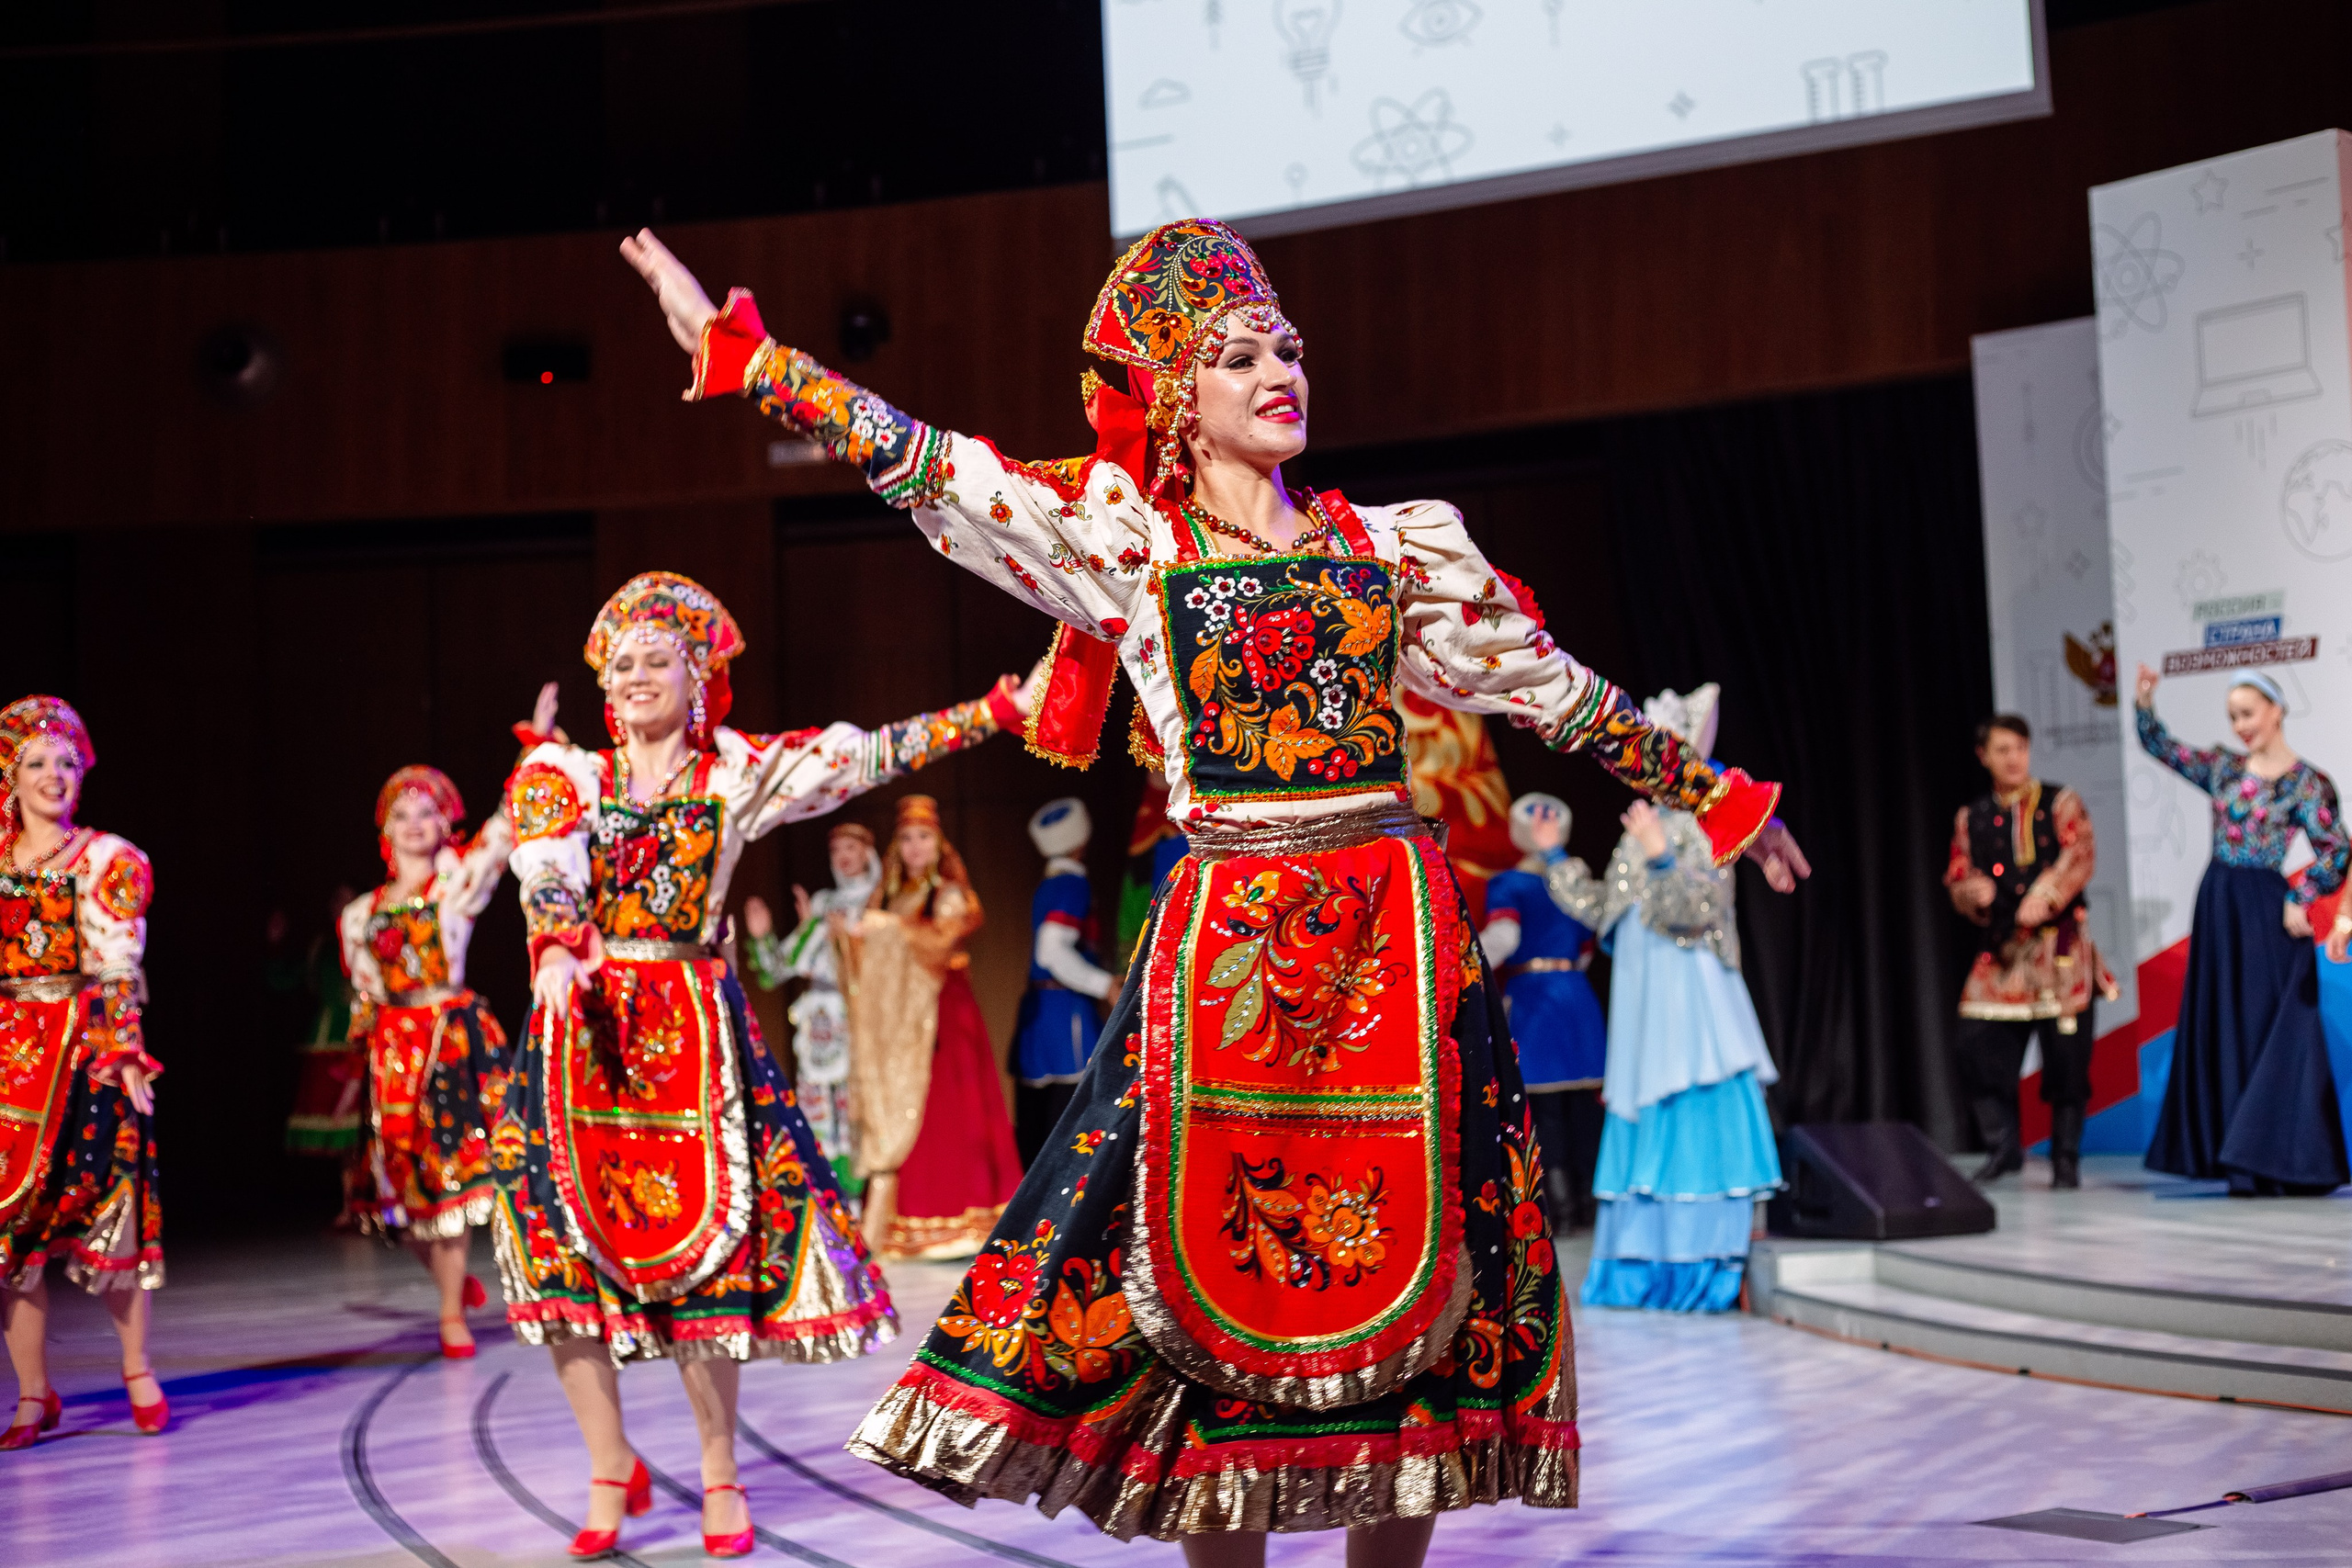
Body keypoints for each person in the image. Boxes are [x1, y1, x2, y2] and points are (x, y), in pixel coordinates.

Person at [626, 218, 1804, 1562]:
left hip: (1392, 957)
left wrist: (1715, 793)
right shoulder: (1131, 545)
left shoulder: (1399, 549)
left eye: (1288, 347)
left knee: (1409, 1293)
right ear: (1179, 397)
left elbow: (1552, 687)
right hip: (1230, 959)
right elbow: (934, 468)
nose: (1280, 369)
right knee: (1204, 1306)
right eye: (1240, 354)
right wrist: (751, 356)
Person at [492, 570, 1030, 1558]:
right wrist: (561, 950)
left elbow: (865, 755)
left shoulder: (735, 773)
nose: (639, 675)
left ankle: (718, 1472)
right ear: (603, 689)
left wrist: (995, 711)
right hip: (580, 1038)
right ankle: (609, 1464)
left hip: (694, 1032)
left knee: (714, 1259)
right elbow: (548, 867)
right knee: (559, 1254)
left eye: (661, 660)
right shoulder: (566, 778)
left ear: (700, 681)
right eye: (623, 664)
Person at [1577, 686, 1784, 1315]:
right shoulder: (1643, 822)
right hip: (1645, 995)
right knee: (1645, 1105)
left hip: (1690, 991)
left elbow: (1700, 910)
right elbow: (1604, 907)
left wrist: (1663, 857)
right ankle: (1641, 1267)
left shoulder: (1703, 823)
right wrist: (1553, 862)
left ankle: (1706, 1265)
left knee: (1692, 1094)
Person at [0, 696, 167, 1447]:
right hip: (9, 1060)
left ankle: (137, 1369)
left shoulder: (104, 859)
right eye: (36, 761)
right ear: (10, 774)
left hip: (83, 1047)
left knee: (111, 1201)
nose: (53, 774)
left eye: (66, 762)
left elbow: (116, 962)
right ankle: (34, 1393)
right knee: (11, 1233)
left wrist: (125, 1047)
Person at [2136, 665, 2351, 1194]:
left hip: (2264, 908)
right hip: (2219, 905)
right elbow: (2160, 746)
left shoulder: (2308, 783)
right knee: (2225, 1025)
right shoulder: (2224, 769)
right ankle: (2234, 1158)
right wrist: (2144, 701)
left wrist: (2302, 897)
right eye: (2233, 716)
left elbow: (2337, 850)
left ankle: (2273, 1159)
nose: (2240, 725)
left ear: (2276, 711)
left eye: (2248, 713)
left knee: (2265, 1029)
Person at [340, 754, 523, 1358]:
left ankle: (451, 1313)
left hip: (446, 1040)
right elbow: (365, 987)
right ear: (384, 829)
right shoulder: (359, 914)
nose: (414, 822)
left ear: (444, 825)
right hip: (391, 1050)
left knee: (445, 1183)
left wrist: (528, 754)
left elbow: (499, 839)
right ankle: (452, 1285)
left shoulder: (453, 888)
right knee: (394, 1193)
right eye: (402, 813)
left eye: (426, 812)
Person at [841, 795, 1024, 1259]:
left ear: (939, 843)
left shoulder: (947, 894)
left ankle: (963, 1221)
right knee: (907, 1106)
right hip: (899, 1019)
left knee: (949, 1107)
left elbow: (940, 943)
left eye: (923, 837)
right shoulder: (889, 894)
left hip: (942, 1012)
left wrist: (883, 929)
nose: (915, 847)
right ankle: (904, 1221)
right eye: (906, 838)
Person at [1944, 714, 2110, 1189]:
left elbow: (2079, 854)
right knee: (1974, 1045)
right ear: (1984, 757)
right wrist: (1970, 893)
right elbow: (1959, 872)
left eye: (2019, 747)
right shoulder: (1970, 817)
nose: (2013, 758)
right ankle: (2003, 1148)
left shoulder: (2060, 802)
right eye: (2002, 750)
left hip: (2058, 950)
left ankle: (2065, 1160)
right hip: (2003, 953)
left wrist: (2047, 894)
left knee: (2067, 1060)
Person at [1479, 794, 1608, 1232]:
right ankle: (1592, 1208)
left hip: (1535, 1002)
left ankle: (1563, 1213)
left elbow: (1504, 939)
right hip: (1578, 996)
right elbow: (1589, 949)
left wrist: (1460, 960)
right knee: (1584, 1105)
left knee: (1544, 1108)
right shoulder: (1577, 883)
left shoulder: (1509, 884)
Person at [741, 821, 880, 1193]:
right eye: (836, 850)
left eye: (851, 848)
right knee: (820, 1110)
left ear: (869, 852)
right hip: (819, 1022)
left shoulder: (880, 901)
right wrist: (762, 936)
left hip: (862, 1018)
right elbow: (776, 972)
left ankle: (864, 1198)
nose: (844, 857)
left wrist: (849, 942)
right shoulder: (824, 904)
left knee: (856, 1108)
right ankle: (830, 1196)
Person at [1009, 797, 1116, 1168]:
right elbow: (1051, 952)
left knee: (1040, 1119)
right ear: (1081, 839)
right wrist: (1105, 985)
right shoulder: (1071, 885)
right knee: (1070, 1118)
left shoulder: (1051, 884)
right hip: (1065, 1012)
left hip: (1040, 1012)